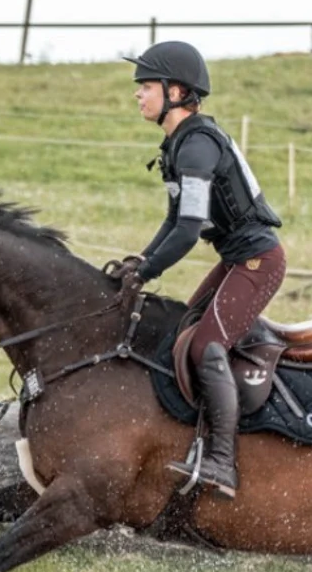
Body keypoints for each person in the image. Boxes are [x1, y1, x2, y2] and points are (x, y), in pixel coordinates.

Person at [110, 41, 286, 498]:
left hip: (258, 259)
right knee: (185, 332)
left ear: (176, 91)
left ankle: (223, 464)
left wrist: (146, 273)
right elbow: (173, 221)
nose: (137, 95)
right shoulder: (178, 145)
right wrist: (139, 263)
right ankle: (196, 441)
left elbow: (189, 231)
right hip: (235, 258)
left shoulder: (198, 147)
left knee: (207, 346)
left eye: (145, 86)